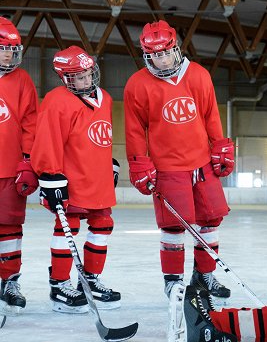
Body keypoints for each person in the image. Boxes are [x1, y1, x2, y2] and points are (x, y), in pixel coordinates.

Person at [123, 20, 234, 300]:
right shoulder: (137, 84)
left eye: (165, 53)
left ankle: (205, 274)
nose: (160, 60)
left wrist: (219, 145)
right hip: (167, 168)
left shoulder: (197, 74)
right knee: (173, 226)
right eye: (154, 55)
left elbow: (210, 114)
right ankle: (173, 281)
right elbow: (135, 129)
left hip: (201, 164)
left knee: (211, 220)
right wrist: (139, 162)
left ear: (176, 49)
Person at [31, 46, 121, 314]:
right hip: (70, 178)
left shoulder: (104, 98)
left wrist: (109, 163)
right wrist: (50, 174)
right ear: (65, 78)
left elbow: (100, 136)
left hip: (97, 176)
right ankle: (59, 285)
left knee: (103, 225)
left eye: (89, 74)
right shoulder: (56, 100)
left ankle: (90, 280)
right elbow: (47, 141)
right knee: (66, 228)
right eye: (79, 77)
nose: (86, 80)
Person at [0, 17, 38, 315]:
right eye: (4, 49)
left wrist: (27, 161)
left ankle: (10, 281)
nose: (10, 55)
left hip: (10, 170)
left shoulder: (22, 80)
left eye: (14, 50)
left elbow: (30, 124)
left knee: (11, 228)